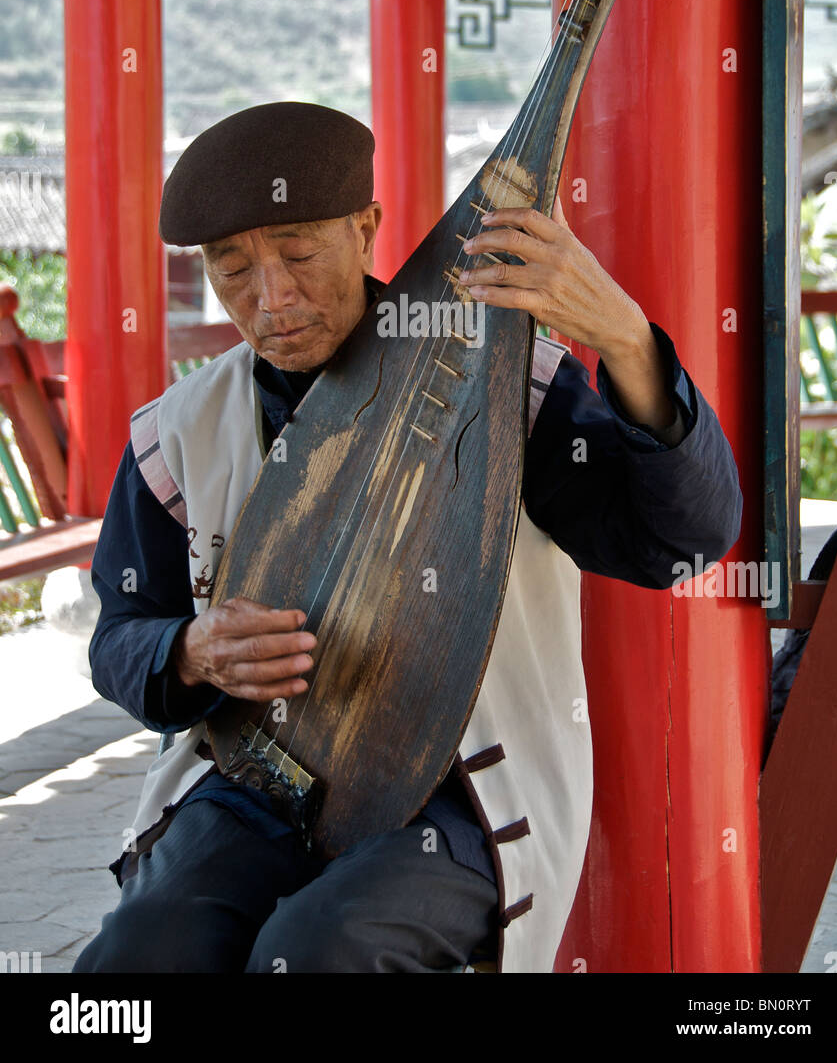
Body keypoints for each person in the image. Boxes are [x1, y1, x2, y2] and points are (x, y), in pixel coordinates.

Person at [74, 101, 742, 974]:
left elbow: (680, 544)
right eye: (232, 271)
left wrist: (621, 338)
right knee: (138, 956)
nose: (270, 300)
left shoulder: (496, 380)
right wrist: (190, 651)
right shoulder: (178, 432)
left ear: (365, 230)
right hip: (255, 778)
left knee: (321, 951)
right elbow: (120, 635)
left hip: (457, 790)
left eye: (301, 255)